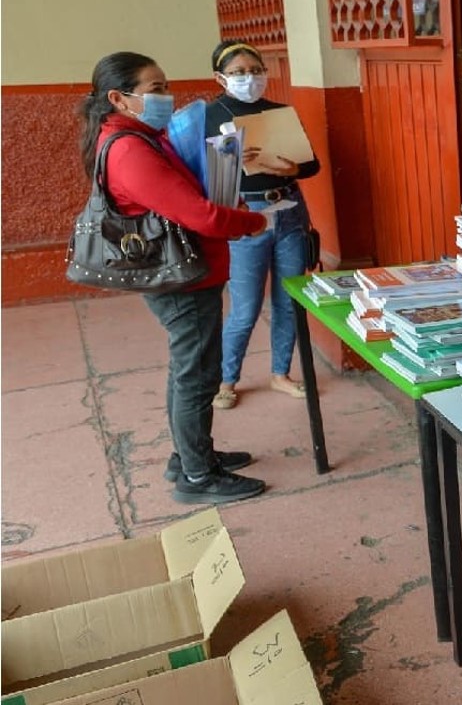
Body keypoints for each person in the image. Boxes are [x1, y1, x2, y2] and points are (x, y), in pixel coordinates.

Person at [78, 51, 270, 504]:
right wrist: (252, 222)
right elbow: (196, 214)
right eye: (155, 89)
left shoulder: (139, 135)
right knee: (198, 375)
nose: (168, 96)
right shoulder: (128, 148)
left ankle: (189, 457)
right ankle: (198, 478)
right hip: (181, 280)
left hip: (184, 272)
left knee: (190, 371)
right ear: (118, 98)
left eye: (166, 85)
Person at [204, 41, 321, 410]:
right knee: (245, 307)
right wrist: (232, 162)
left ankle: (280, 373)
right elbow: (209, 181)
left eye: (255, 70)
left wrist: (294, 170)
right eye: (238, 73)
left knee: (289, 300)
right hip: (246, 217)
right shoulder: (210, 115)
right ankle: (226, 380)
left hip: (288, 211)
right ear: (220, 77)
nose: (249, 78)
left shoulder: (280, 111)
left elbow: (311, 164)